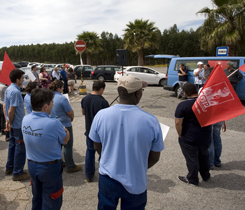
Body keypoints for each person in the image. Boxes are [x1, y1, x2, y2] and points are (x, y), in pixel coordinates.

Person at [89, 75, 164, 209]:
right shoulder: (151, 121)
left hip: (108, 177)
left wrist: (109, 159)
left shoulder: (101, 115)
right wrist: (138, 167)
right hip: (136, 180)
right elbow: (155, 157)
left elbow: (97, 145)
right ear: (138, 93)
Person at [22, 88, 70, 210]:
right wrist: (66, 131)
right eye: (52, 102)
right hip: (50, 168)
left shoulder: (25, 119)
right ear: (45, 106)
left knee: (37, 198)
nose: (53, 104)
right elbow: (65, 140)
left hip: (32, 165)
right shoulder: (53, 123)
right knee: (52, 201)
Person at [175, 82, 211, 185]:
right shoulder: (206, 103)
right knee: (204, 156)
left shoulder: (183, 105)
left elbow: (178, 122)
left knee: (192, 158)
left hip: (190, 137)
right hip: (205, 135)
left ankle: (192, 178)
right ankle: (206, 175)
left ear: (185, 93)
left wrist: (180, 134)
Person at [49, 80, 81, 173]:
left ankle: (60, 162)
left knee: (57, 145)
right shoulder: (62, 98)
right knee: (68, 145)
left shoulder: (49, 97)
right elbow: (70, 112)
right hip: (65, 124)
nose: (63, 88)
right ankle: (70, 165)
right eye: (62, 87)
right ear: (58, 87)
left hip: (53, 124)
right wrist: (72, 117)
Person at [81, 80, 109, 182]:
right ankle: (104, 173)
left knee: (90, 153)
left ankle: (89, 175)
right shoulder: (103, 102)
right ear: (101, 89)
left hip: (89, 131)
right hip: (101, 134)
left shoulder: (85, 99)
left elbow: (83, 112)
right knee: (103, 153)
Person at [5, 69, 30, 181]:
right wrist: (9, 122)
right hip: (17, 125)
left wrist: (7, 121)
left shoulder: (9, 89)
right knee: (20, 148)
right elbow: (11, 110)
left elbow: (5, 105)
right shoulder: (15, 91)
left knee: (13, 146)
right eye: (22, 78)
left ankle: (10, 167)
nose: (23, 80)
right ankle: (17, 173)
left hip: (13, 123)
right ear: (17, 79)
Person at [0, 76, 9, 141]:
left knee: (1, 117)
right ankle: (5, 131)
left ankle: (1, 128)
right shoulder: (4, 87)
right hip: (4, 103)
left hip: (1, 102)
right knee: (5, 118)